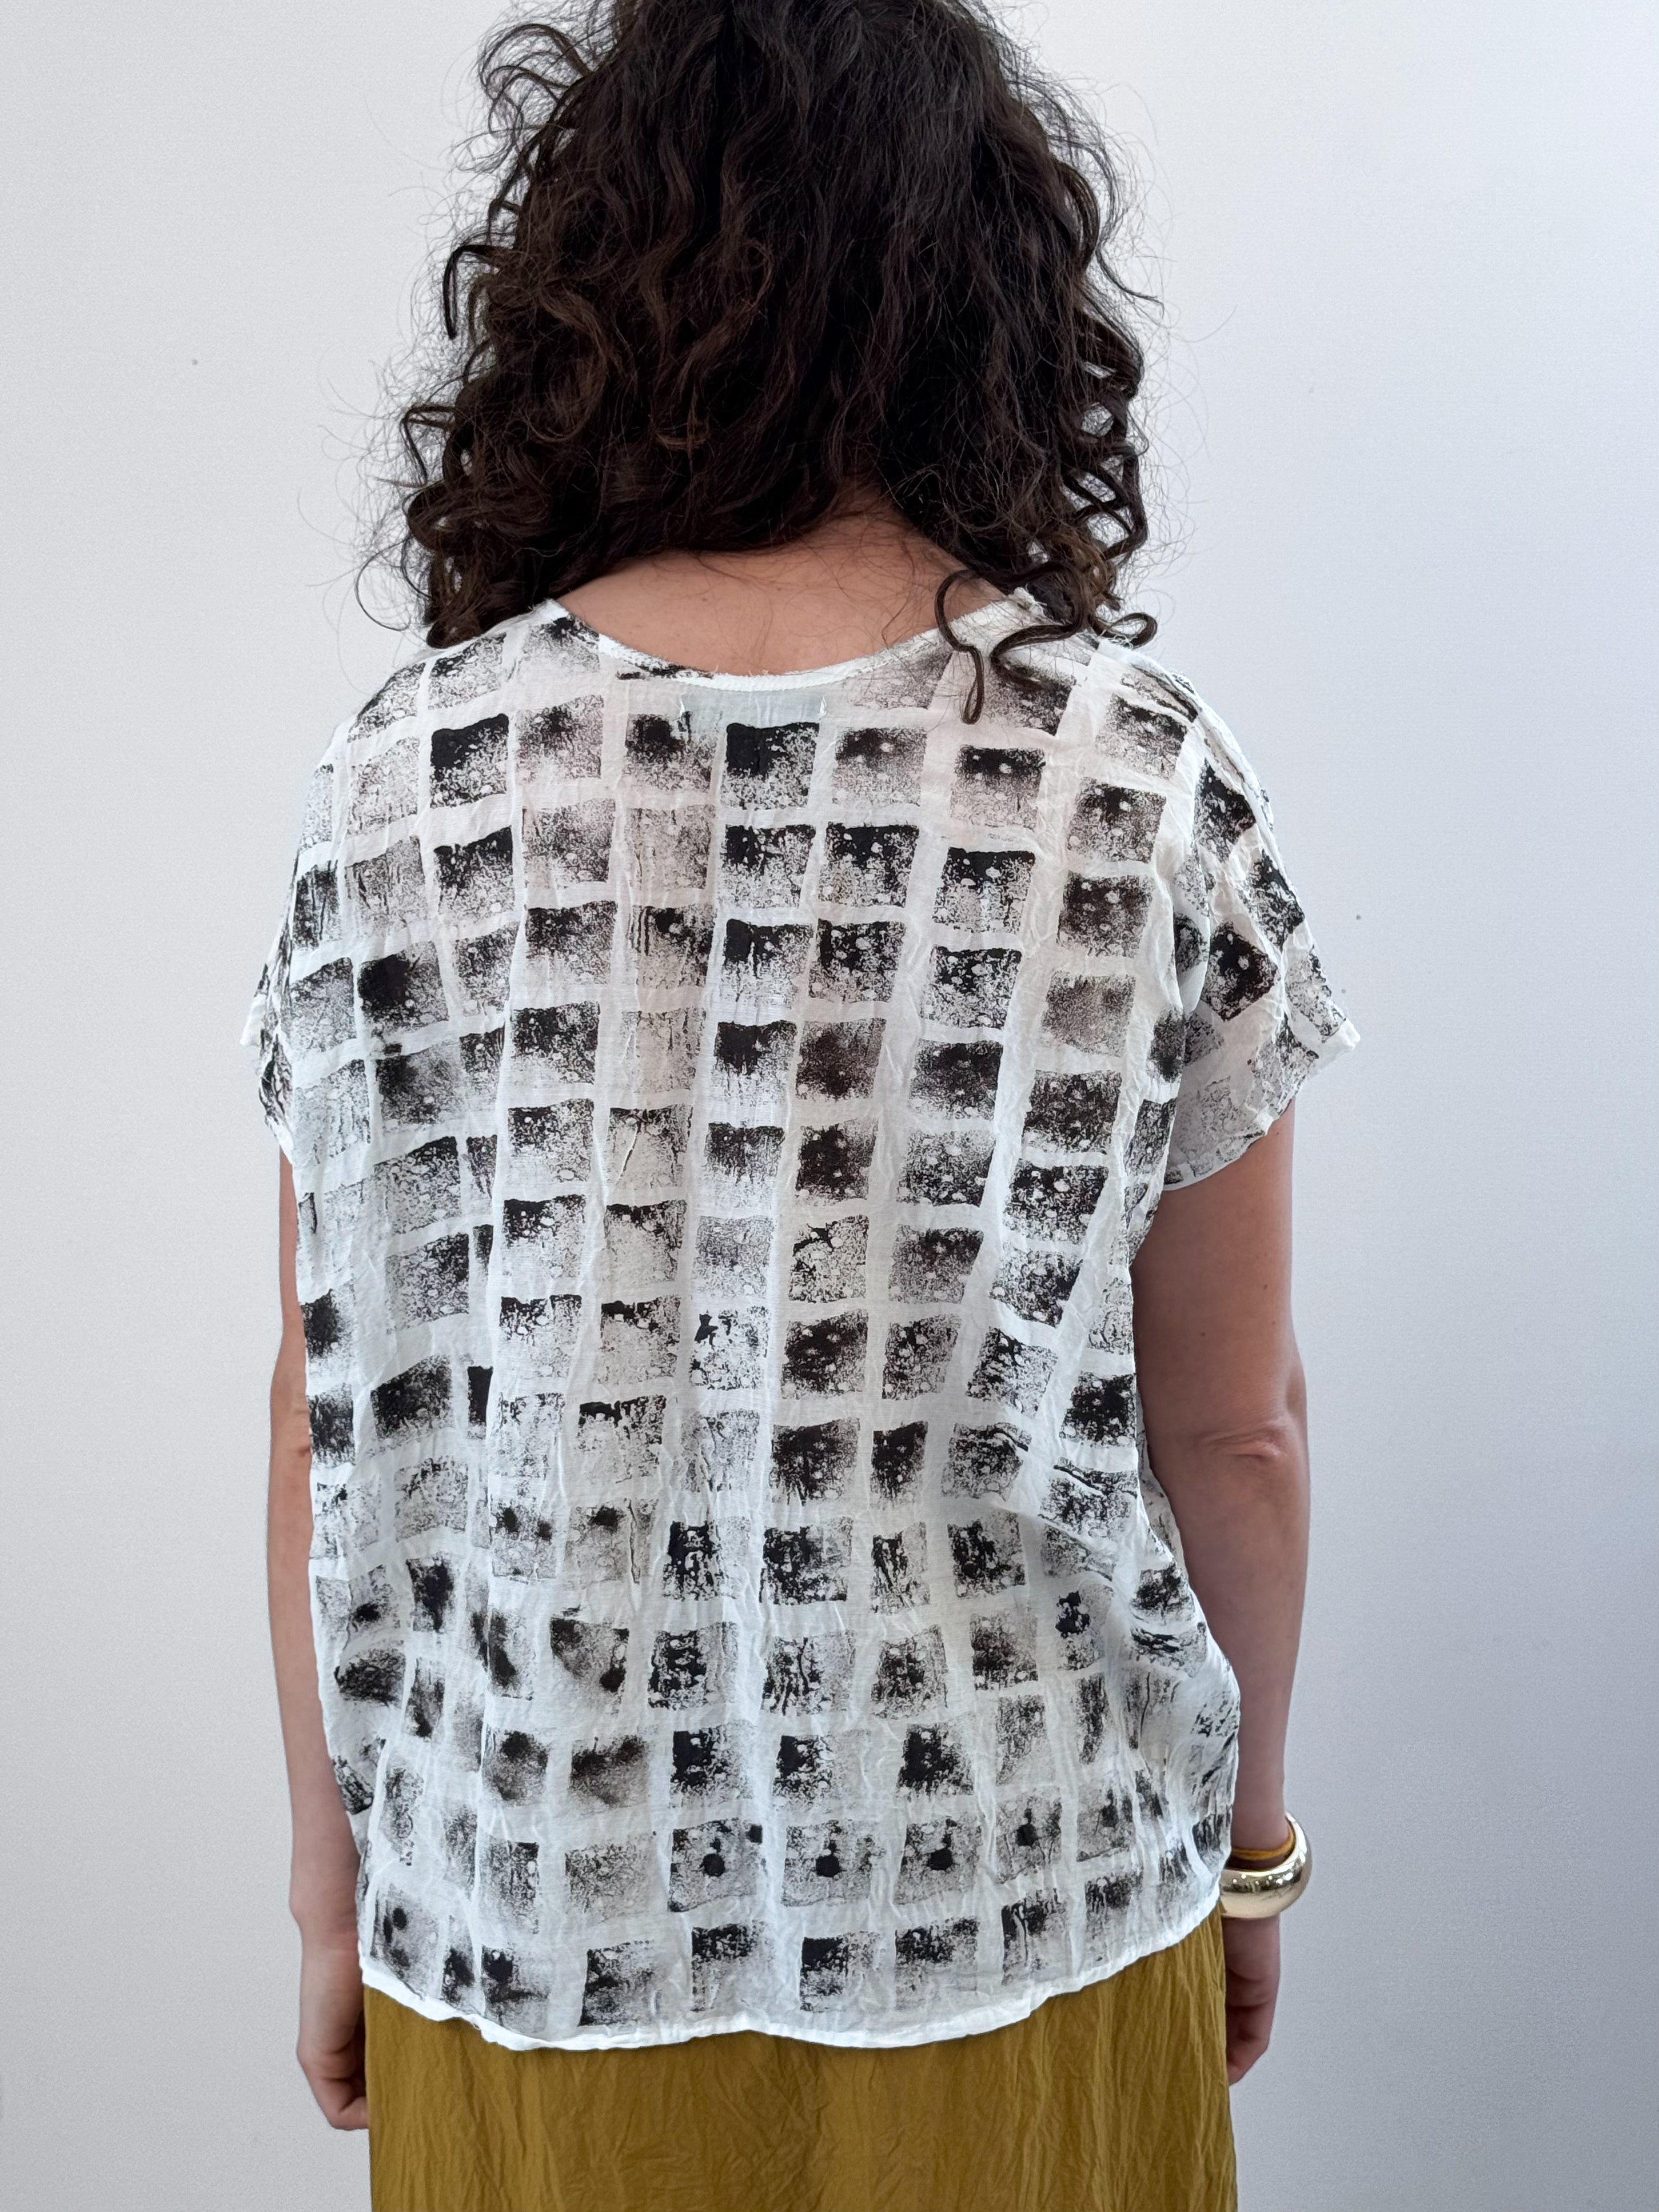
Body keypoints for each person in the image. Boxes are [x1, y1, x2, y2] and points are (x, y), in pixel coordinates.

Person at [246, 3, 1358, 2206]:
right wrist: (1251, 1852)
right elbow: (1234, 1430)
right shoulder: (1132, 778)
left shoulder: (404, 783)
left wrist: (326, 1883)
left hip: (533, 1926)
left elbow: (330, 1413)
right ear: (991, 302)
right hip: (1029, 1907)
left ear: (588, 293)